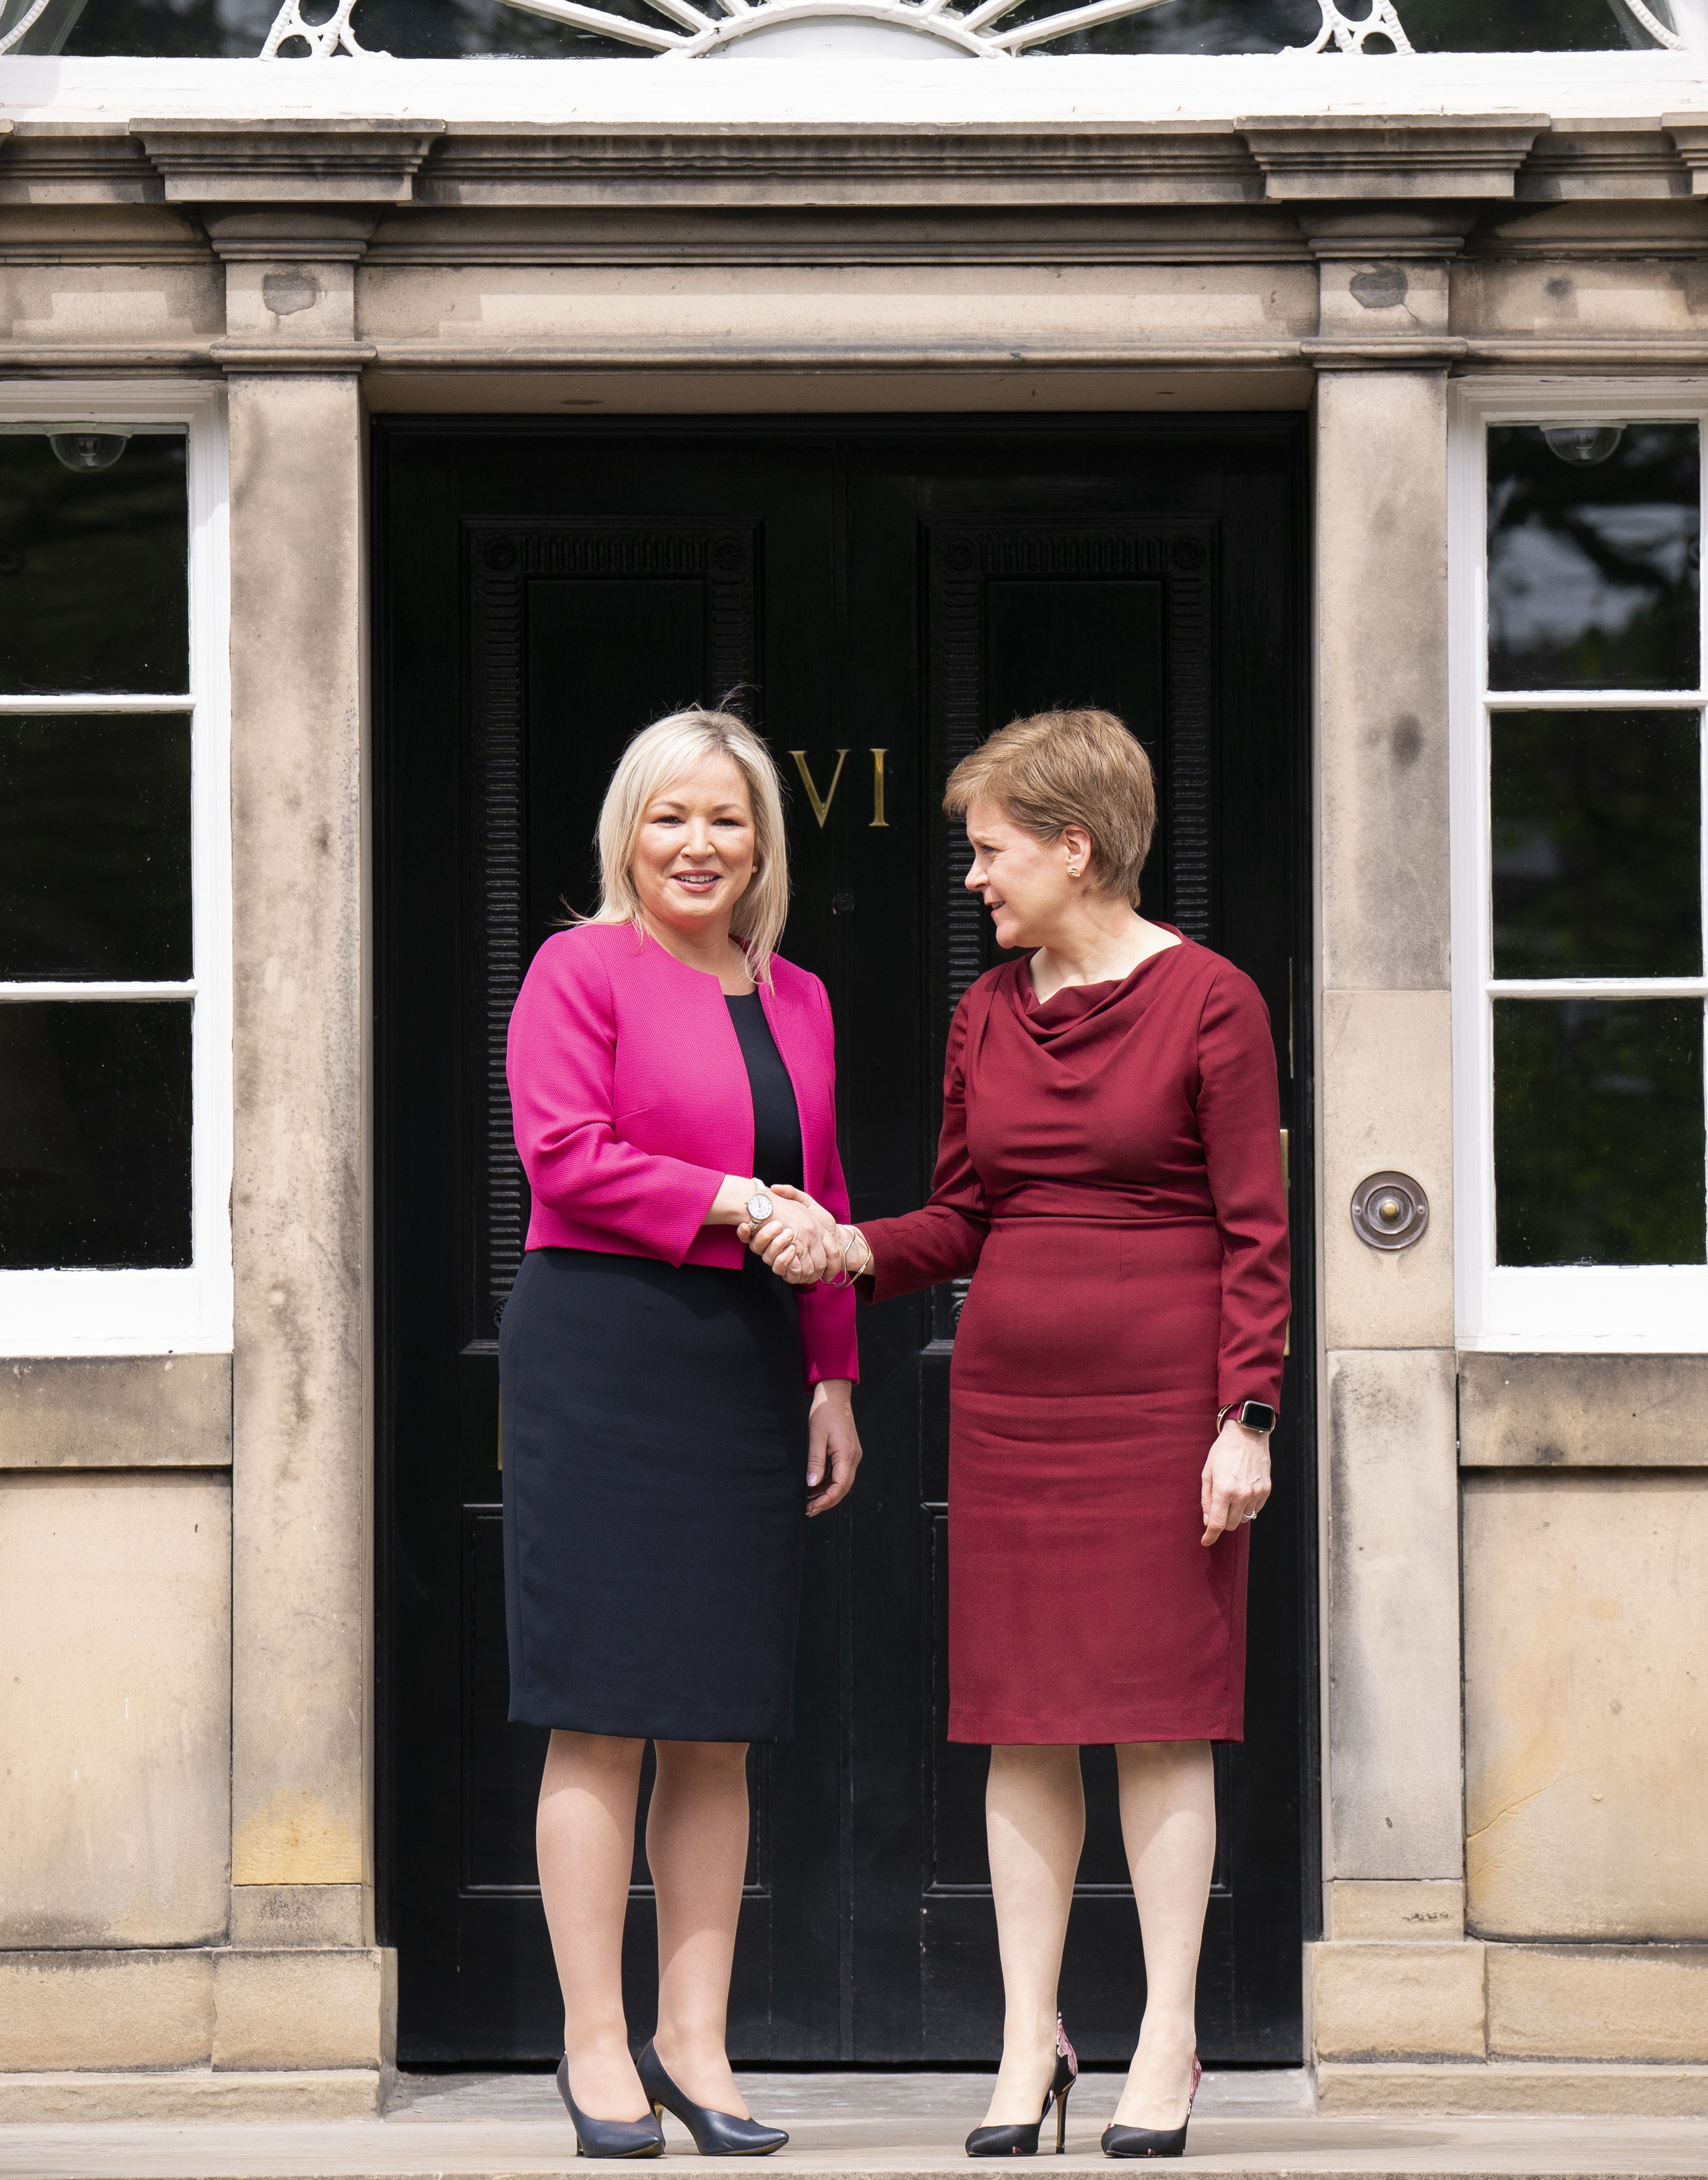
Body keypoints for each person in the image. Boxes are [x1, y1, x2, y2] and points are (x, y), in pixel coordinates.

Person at [753, 708, 1286, 2162]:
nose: (975, 879)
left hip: (1167, 1402)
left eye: (991, 851)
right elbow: (965, 1218)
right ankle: (1024, 2041)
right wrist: (850, 1247)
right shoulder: (984, 1013)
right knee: (1019, 1719)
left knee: (1165, 1720)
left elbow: (1256, 1228)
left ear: (1076, 845)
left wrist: (1245, 1419)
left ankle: (1166, 2038)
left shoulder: (1211, 1000)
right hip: (1010, 1407)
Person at [503, 708, 859, 2160]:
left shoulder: (800, 996)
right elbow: (563, 1155)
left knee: (717, 1725)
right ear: (626, 832)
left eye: (726, 819)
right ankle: (595, 2046)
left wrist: (831, 1377)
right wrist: (733, 1202)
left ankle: (694, 2043)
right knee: (599, 1714)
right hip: (603, 1349)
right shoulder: (576, 968)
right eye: (670, 818)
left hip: (747, 1367)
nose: (698, 845)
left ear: (761, 842)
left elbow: (824, 1183)